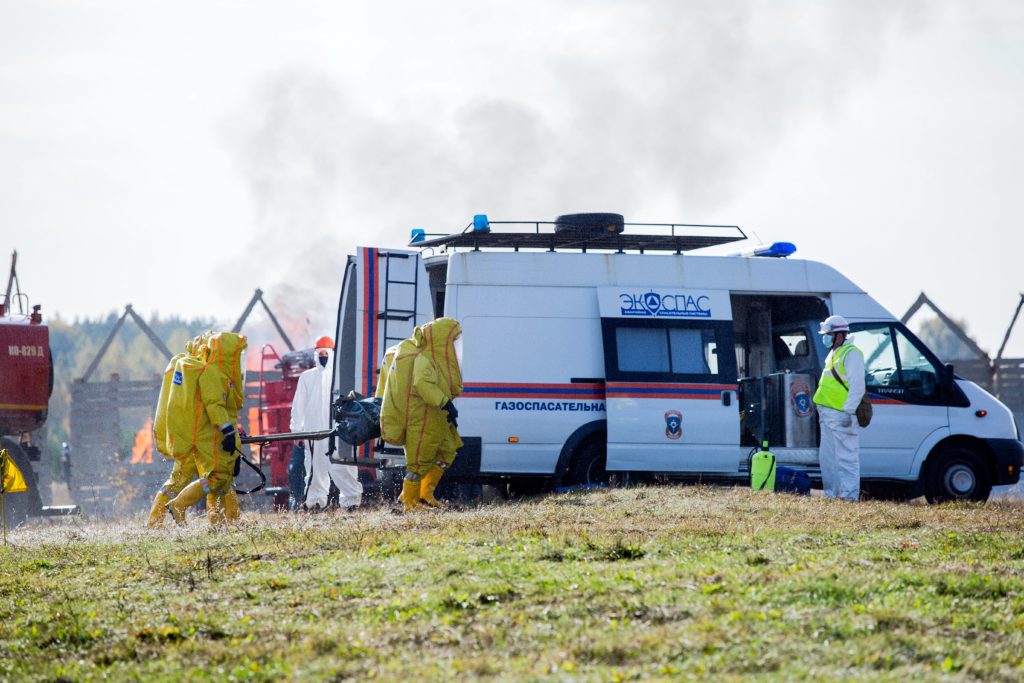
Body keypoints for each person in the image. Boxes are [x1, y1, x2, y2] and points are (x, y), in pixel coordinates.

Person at [379, 317, 463, 511]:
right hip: (421, 419)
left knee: (447, 451)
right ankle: (409, 501)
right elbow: (423, 385)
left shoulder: (433, 359)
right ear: (442, 340)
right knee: (417, 462)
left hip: (436, 418)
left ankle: (425, 494)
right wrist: (445, 403)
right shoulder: (423, 359)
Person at [166, 332, 248, 525]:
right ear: (226, 354)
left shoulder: (220, 373)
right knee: (217, 477)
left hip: (218, 433)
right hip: (213, 435)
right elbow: (214, 405)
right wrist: (227, 431)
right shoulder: (212, 373)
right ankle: (178, 504)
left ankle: (216, 524)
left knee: (223, 481)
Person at [291, 335, 362, 511]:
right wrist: (296, 431)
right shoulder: (307, 378)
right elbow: (298, 406)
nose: (323, 356)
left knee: (343, 467)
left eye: (326, 352)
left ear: (332, 353)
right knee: (315, 470)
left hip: (339, 433)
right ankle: (314, 503)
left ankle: (351, 503)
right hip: (313, 433)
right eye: (320, 353)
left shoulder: (341, 376)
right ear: (315, 355)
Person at [812, 314, 865, 501]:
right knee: (829, 459)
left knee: (847, 459)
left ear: (840, 335)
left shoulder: (851, 354)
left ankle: (849, 499)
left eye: (828, 334)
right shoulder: (835, 352)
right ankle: (832, 495)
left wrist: (848, 412)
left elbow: (858, 387)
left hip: (842, 414)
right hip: (827, 414)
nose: (825, 338)